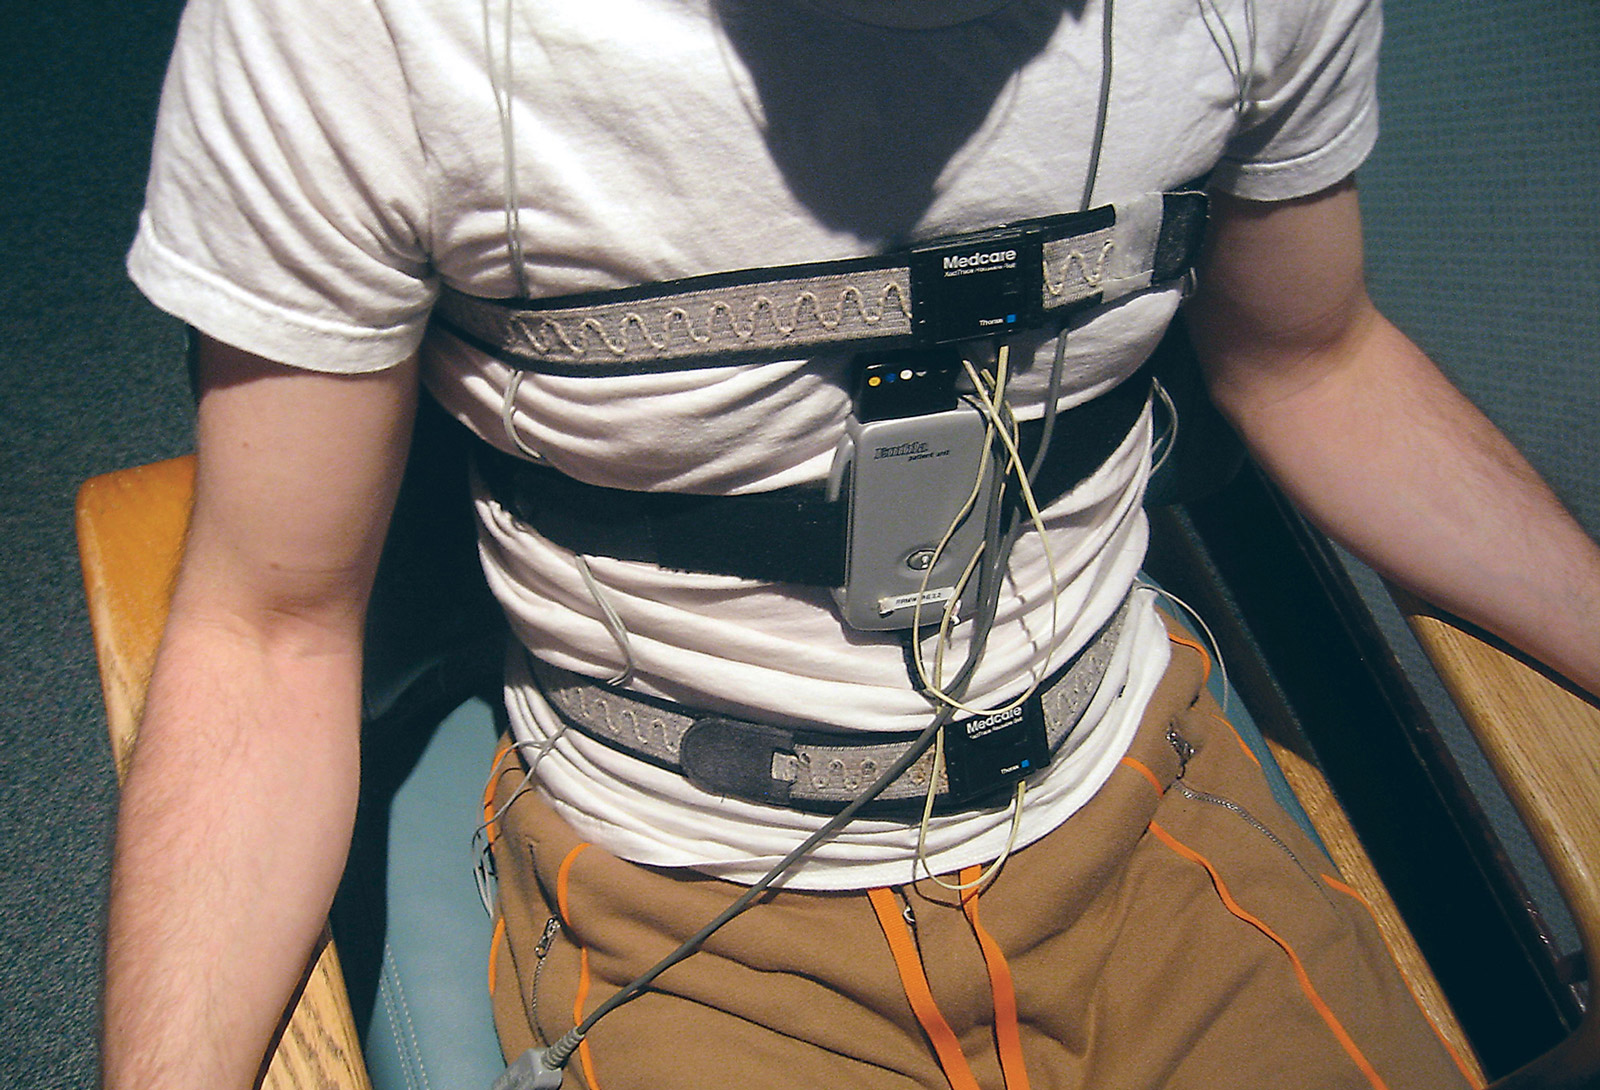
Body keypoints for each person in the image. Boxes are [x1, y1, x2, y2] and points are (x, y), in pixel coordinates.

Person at [103, 0, 1600, 1087]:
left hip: (1137, 796)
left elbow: (1314, 358)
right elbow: (268, 627)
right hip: (683, 887)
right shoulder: (366, 34)